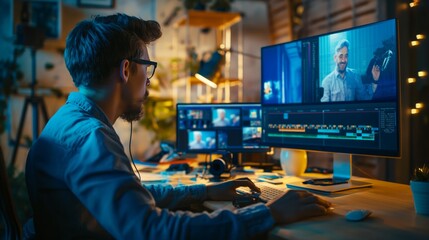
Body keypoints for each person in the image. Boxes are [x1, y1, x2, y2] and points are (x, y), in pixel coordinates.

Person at [25, 13, 331, 239]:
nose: (148, 80)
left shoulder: (68, 122)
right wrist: (268, 213)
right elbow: (155, 231)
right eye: (148, 68)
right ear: (127, 70)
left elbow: (131, 194)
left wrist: (205, 191)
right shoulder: (90, 138)